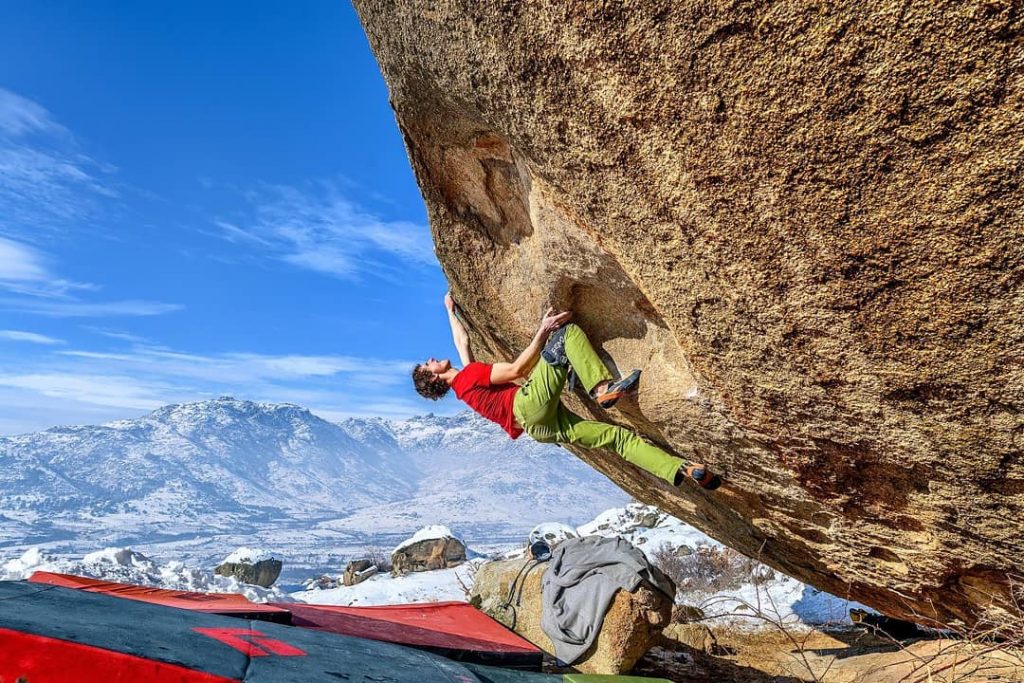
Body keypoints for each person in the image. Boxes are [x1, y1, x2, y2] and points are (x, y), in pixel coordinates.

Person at [411, 293, 721, 490]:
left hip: (541, 429)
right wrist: (543, 331)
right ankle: (602, 388)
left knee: (617, 438)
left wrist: (450, 310)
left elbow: (462, 342)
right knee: (566, 334)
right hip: (528, 404)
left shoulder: (464, 384)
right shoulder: (470, 377)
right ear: (434, 377)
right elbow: (518, 370)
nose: (431, 358)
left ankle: (680, 468)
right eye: (428, 364)